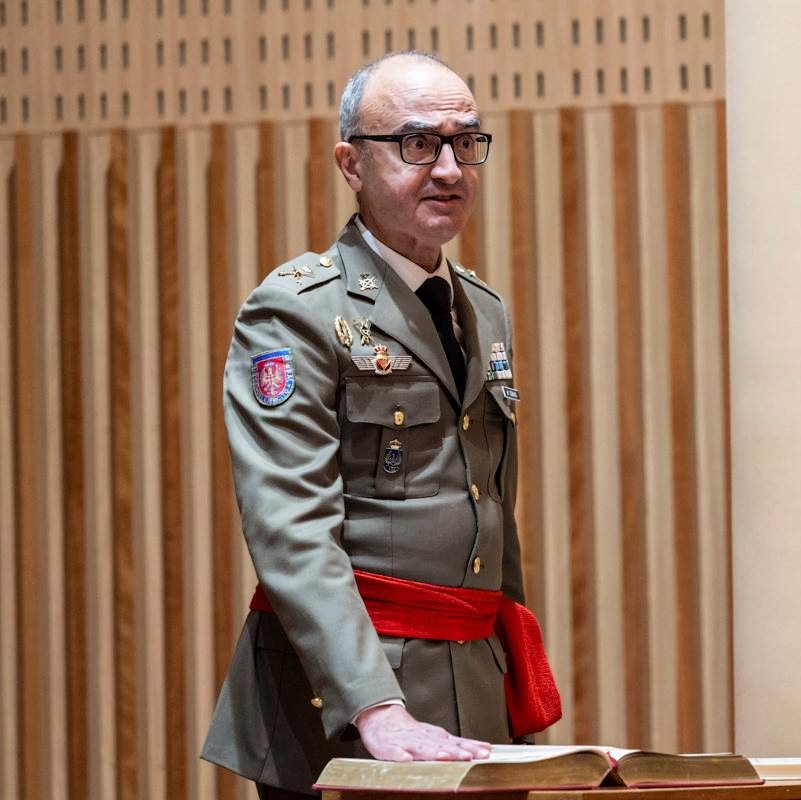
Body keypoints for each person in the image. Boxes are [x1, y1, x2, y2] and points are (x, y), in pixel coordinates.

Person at [201, 52, 559, 799]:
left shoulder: (481, 308)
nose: (450, 168)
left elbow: (490, 510)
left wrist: (518, 691)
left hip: (474, 689)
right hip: (346, 704)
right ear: (350, 163)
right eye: (417, 143)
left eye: (467, 142)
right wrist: (374, 705)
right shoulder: (297, 310)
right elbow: (289, 527)